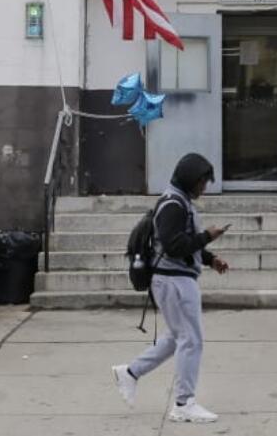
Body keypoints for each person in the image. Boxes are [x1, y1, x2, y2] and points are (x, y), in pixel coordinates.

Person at [112, 153, 229, 423]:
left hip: (174, 279)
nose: (205, 187)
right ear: (190, 179)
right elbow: (174, 246)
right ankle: (183, 403)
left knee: (177, 338)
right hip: (174, 281)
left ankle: (129, 373)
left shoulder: (178, 201)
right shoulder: (174, 204)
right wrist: (206, 236)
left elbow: (180, 243)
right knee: (191, 340)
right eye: (202, 182)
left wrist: (211, 259)